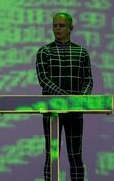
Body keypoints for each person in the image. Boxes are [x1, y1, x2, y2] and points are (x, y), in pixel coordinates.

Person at [36, 13, 93, 181]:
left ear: (71, 28)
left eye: (61, 25)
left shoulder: (81, 52)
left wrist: (81, 99)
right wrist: (66, 97)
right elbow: (43, 79)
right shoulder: (44, 51)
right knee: (52, 154)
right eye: (55, 25)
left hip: (75, 111)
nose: (57, 28)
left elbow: (88, 79)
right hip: (51, 109)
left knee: (76, 155)